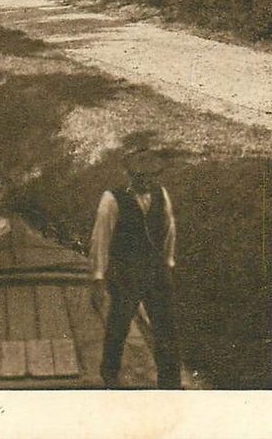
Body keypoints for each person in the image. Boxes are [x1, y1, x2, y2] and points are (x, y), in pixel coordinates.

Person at [89, 160, 181, 389]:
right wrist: (98, 277)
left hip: (155, 272)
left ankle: (170, 384)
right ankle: (109, 378)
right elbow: (101, 238)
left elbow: (170, 229)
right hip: (126, 274)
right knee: (118, 327)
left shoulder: (161, 195)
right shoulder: (111, 199)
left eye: (151, 176)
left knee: (166, 328)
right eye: (141, 177)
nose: (147, 181)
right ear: (130, 176)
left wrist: (168, 263)